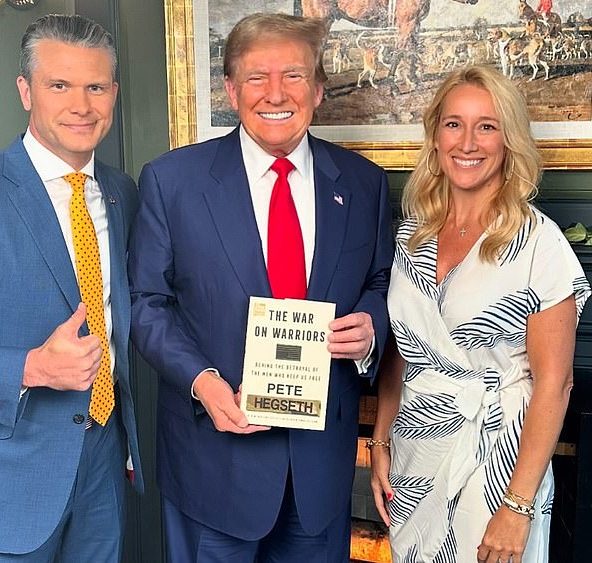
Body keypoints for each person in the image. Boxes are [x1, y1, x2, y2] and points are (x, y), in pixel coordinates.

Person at [128, 12, 394, 563]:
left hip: (320, 472)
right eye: (256, 77)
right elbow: (147, 304)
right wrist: (202, 381)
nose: (276, 93)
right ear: (230, 89)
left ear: (319, 89)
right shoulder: (172, 181)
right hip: (213, 466)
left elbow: (379, 280)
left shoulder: (364, 183)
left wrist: (371, 328)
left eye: (294, 76)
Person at [369, 64, 591, 563]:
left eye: (486, 126)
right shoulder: (411, 234)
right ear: (435, 136)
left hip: (501, 463)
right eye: (454, 124)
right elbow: (401, 355)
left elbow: (554, 385)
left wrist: (517, 505)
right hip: (416, 453)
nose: (467, 142)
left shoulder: (541, 244)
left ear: (508, 140)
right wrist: (379, 440)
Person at [0, 14, 142, 562]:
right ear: (24, 91)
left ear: (113, 94)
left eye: (95, 87)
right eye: (59, 85)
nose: (80, 105)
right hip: (1, 487)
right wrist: (30, 368)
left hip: (105, 472)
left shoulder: (123, 194)